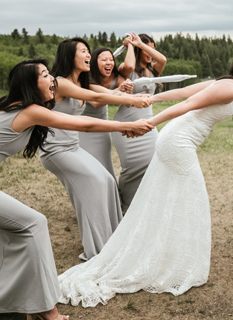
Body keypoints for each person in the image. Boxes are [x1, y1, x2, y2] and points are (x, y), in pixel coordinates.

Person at [0, 59, 152, 320]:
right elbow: (85, 125)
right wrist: (128, 125)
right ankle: (47, 311)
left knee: (15, 228)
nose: (52, 80)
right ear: (30, 85)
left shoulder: (11, 107)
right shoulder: (30, 111)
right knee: (34, 224)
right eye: (45, 75)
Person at [58, 50, 233, 306]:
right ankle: (175, 262)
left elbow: (183, 91)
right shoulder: (229, 88)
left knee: (176, 199)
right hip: (178, 142)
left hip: (178, 141)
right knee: (193, 199)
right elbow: (186, 104)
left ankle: (170, 255)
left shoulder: (228, 85)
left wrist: (148, 98)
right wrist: (149, 123)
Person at [41, 38, 152, 261]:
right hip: (56, 150)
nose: (88, 55)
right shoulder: (61, 82)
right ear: (69, 56)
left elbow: (106, 93)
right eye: (83, 51)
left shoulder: (80, 82)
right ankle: (98, 249)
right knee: (94, 188)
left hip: (72, 147)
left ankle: (114, 237)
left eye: (88, 51)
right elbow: (97, 97)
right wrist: (130, 101)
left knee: (108, 182)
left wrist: (131, 96)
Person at [112, 32, 167, 211]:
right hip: (126, 121)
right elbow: (128, 64)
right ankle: (124, 205)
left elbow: (163, 60)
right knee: (131, 167)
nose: (150, 53)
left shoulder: (153, 70)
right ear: (137, 50)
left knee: (152, 162)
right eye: (145, 49)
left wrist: (143, 46)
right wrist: (131, 45)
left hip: (148, 122)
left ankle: (144, 203)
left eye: (152, 49)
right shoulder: (127, 69)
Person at [78, 47, 133, 181]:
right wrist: (119, 91)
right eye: (104, 60)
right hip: (83, 127)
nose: (109, 62)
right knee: (89, 167)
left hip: (102, 126)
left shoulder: (117, 78)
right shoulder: (87, 79)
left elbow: (127, 103)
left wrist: (128, 91)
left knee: (106, 165)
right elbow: (96, 102)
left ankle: (111, 196)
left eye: (111, 59)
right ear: (95, 63)